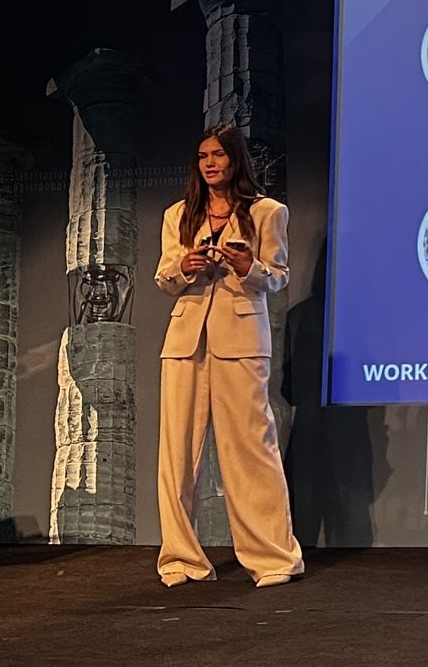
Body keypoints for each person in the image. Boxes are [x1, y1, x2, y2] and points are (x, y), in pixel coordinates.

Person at [153, 123, 304, 589]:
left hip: (241, 339)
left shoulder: (266, 212)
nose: (210, 163)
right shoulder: (179, 214)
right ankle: (181, 558)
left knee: (251, 449)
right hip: (185, 341)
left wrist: (248, 266)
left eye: (218, 155)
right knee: (177, 454)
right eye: (203, 156)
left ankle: (273, 558)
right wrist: (185, 266)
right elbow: (163, 277)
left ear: (235, 159)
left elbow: (278, 276)